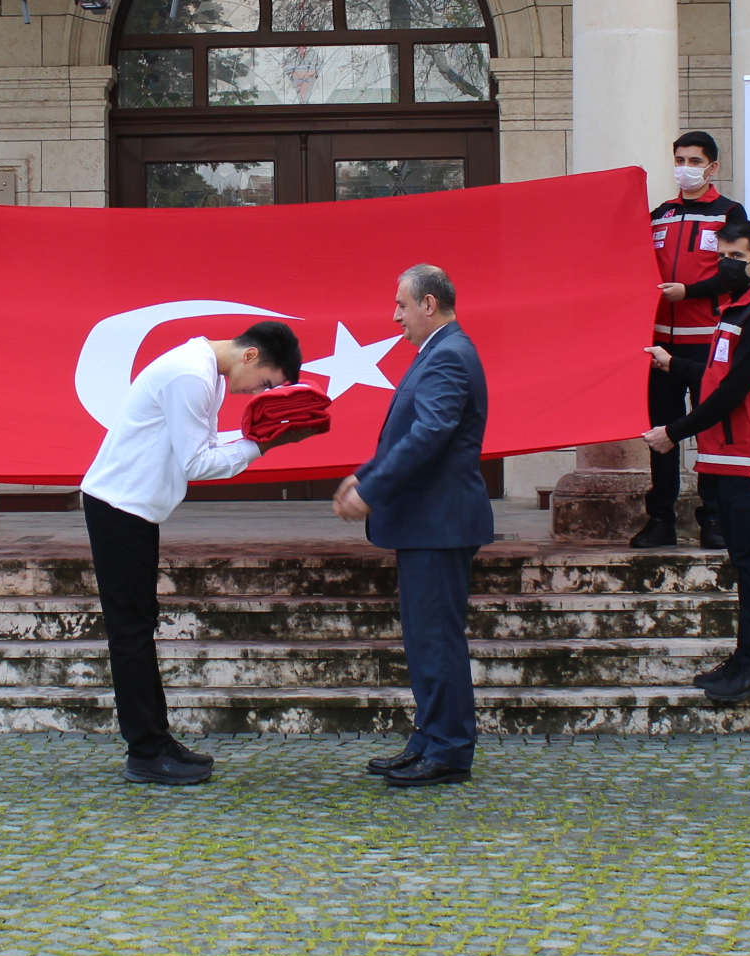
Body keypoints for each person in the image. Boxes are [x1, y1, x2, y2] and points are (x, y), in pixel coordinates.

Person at [79, 319, 309, 786]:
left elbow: (200, 447)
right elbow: (197, 463)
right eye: (265, 384)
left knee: (139, 626)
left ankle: (156, 741)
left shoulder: (204, 371)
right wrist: (261, 445)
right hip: (119, 506)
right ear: (250, 356)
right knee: (131, 632)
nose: (256, 394)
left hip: (132, 508)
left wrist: (255, 440)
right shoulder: (192, 374)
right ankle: (144, 752)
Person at [334, 265, 492, 788]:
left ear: (428, 304)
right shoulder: (438, 352)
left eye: (401, 305)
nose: (394, 315)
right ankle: (428, 739)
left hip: (438, 522)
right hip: (428, 523)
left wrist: (372, 491)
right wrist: (367, 472)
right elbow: (414, 433)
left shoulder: (447, 355)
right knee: (425, 640)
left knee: (437, 639)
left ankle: (448, 749)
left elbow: (430, 436)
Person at [645, 219, 750, 703]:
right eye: (722, 255)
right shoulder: (734, 311)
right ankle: (744, 657)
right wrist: (674, 364)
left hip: (748, 456)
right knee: (742, 560)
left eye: (737, 257)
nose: (727, 264)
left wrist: (673, 432)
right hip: (722, 455)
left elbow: (732, 391)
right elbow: (713, 373)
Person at [639, 131, 749, 551]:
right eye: (679, 160)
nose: (685, 168)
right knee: (661, 434)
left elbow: (733, 273)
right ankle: (660, 520)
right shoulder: (660, 214)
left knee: (710, 432)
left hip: (707, 341)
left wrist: (689, 292)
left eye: (694, 161)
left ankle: (714, 519)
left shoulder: (729, 214)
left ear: (712, 167)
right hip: (659, 345)